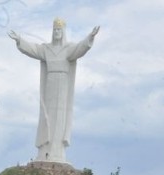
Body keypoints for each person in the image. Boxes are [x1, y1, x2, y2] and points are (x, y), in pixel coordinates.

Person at [9, 19, 99, 164]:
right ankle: (45, 149)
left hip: (63, 85)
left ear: (63, 32)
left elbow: (81, 48)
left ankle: (57, 152)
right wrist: (19, 39)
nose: (56, 33)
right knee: (48, 117)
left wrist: (90, 37)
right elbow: (33, 49)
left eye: (59, 30)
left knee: (60, 118)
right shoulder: (46, 49)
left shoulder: (68, 49)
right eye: (54, 30)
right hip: (50, 85)